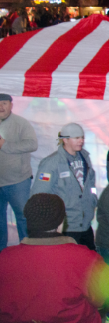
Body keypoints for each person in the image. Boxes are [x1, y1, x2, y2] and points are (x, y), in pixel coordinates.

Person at [0, 193, 109, 322]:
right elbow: (105, 297)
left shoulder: (4, 258)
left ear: (28, 222)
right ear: (61, 223)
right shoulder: (85, 258)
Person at [31, 123, 97, 249]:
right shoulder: (51, 163)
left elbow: (91, 184)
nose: (81, 141)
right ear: (65, 140)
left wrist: (93, 199)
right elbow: (38, 196)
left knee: (91, 260)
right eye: (76, 138)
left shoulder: (85, 158)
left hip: (85, 225)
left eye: (82, 137)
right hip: (66, 226)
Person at [0, 93, 38, 251]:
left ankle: (27, 253)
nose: (1, 107)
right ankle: (2, 255)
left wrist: (5, 145)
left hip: (18, 181)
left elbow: (32, 144)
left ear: (11, 105)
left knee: (23, 218)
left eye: (4, 103)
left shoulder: (21, 123)